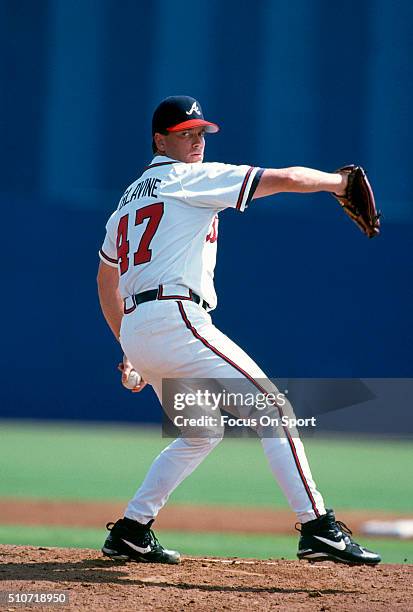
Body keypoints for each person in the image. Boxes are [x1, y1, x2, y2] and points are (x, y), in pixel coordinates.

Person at [97, 95, 381, 566]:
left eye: (200, 133)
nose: (196, 141)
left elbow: (107, 275)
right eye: (185, 133)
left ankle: (131, 529)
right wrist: (340, 182)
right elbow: (286, 178)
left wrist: (127, 344)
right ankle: (318, 528)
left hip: (144, 329)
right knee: (275, 409)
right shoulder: (188, 179)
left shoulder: (128, 199)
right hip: (177, 319)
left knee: (200, 431)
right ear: (159, 139)